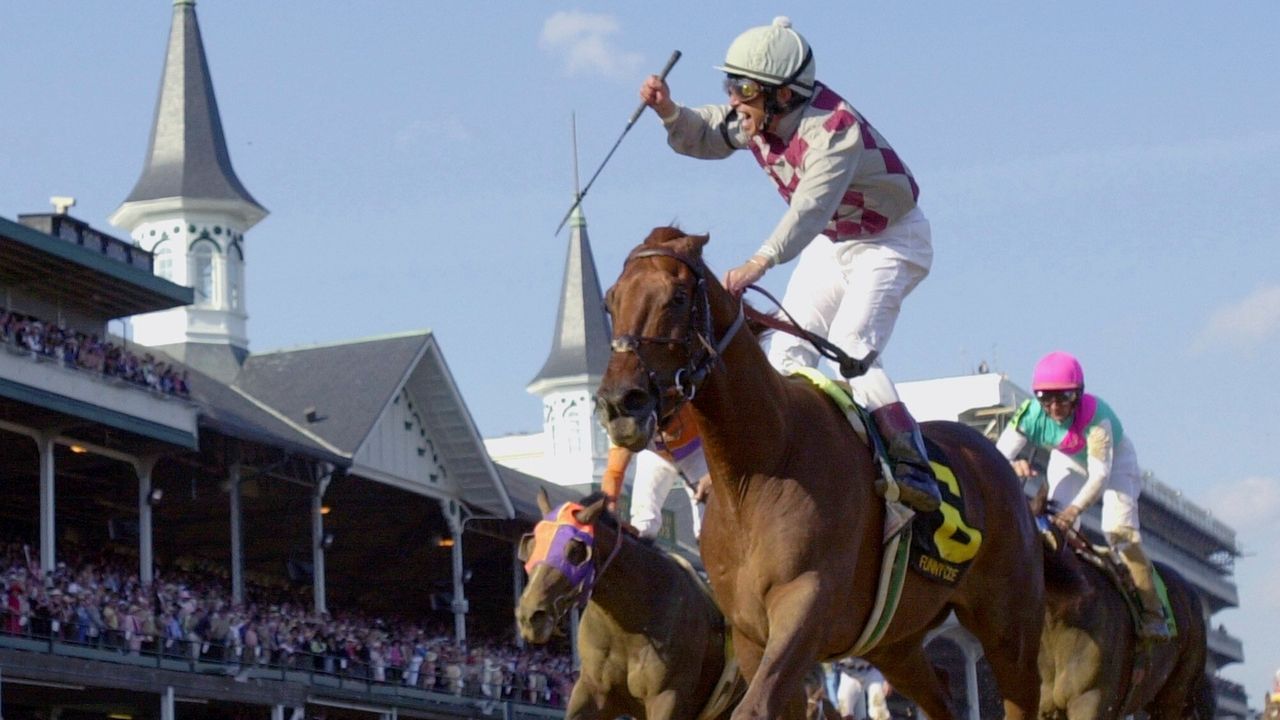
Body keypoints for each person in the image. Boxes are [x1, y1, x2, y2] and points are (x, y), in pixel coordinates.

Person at [638, 16, 940, 512]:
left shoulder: (834, 130)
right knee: (784, 356)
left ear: (782, 94)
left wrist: (760, 261)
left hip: (891, 241)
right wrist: (669, 111)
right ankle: (807, 460)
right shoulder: (760, 115)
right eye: (730, 84)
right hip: (834, 241)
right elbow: (708, 131)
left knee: (849, 350)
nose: (734, 97)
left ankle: (913, 466)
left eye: (745, 88)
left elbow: (810, 209)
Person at [995, 351, 1170, 641]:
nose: (1054, 407)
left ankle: (1153, 610)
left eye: (1063, 398)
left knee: (1118, 532)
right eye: (1045, 399)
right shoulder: (1030, 413)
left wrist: (1074, 511)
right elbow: (998, 456)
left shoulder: (1096, 418)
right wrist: (1014, 465)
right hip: (1067, 459)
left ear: (1078, 394)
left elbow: (1099, 476)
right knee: (1053, 532)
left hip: (1114, 465)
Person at [601, 403, 710, 541]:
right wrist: (609, 511)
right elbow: (614, 472)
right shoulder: (625, 425)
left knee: (706, 522)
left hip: (696, 450)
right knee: (643, 524)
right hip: (656, 455)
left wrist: (711, 477)